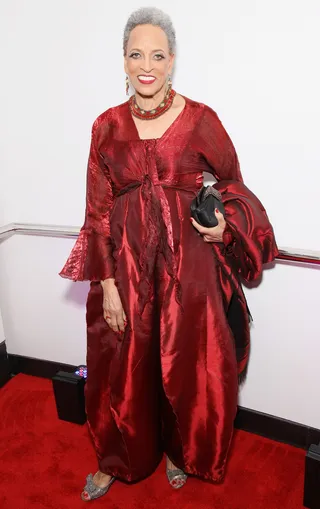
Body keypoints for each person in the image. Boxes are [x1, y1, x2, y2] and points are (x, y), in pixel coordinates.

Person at [59, 6, 278, 502]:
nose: (147, 65)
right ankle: (121, 459)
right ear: (123, 60)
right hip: (128, 269)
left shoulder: (202, 120)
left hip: (190, 270)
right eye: (136, 54)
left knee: (187, 362)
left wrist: (224, 226)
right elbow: (96, 213)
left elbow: (234, 184)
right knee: (124, 366)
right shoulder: (106, 127)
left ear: (172, 61)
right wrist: (109, 285)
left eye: (157, 55)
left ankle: (182, 452)